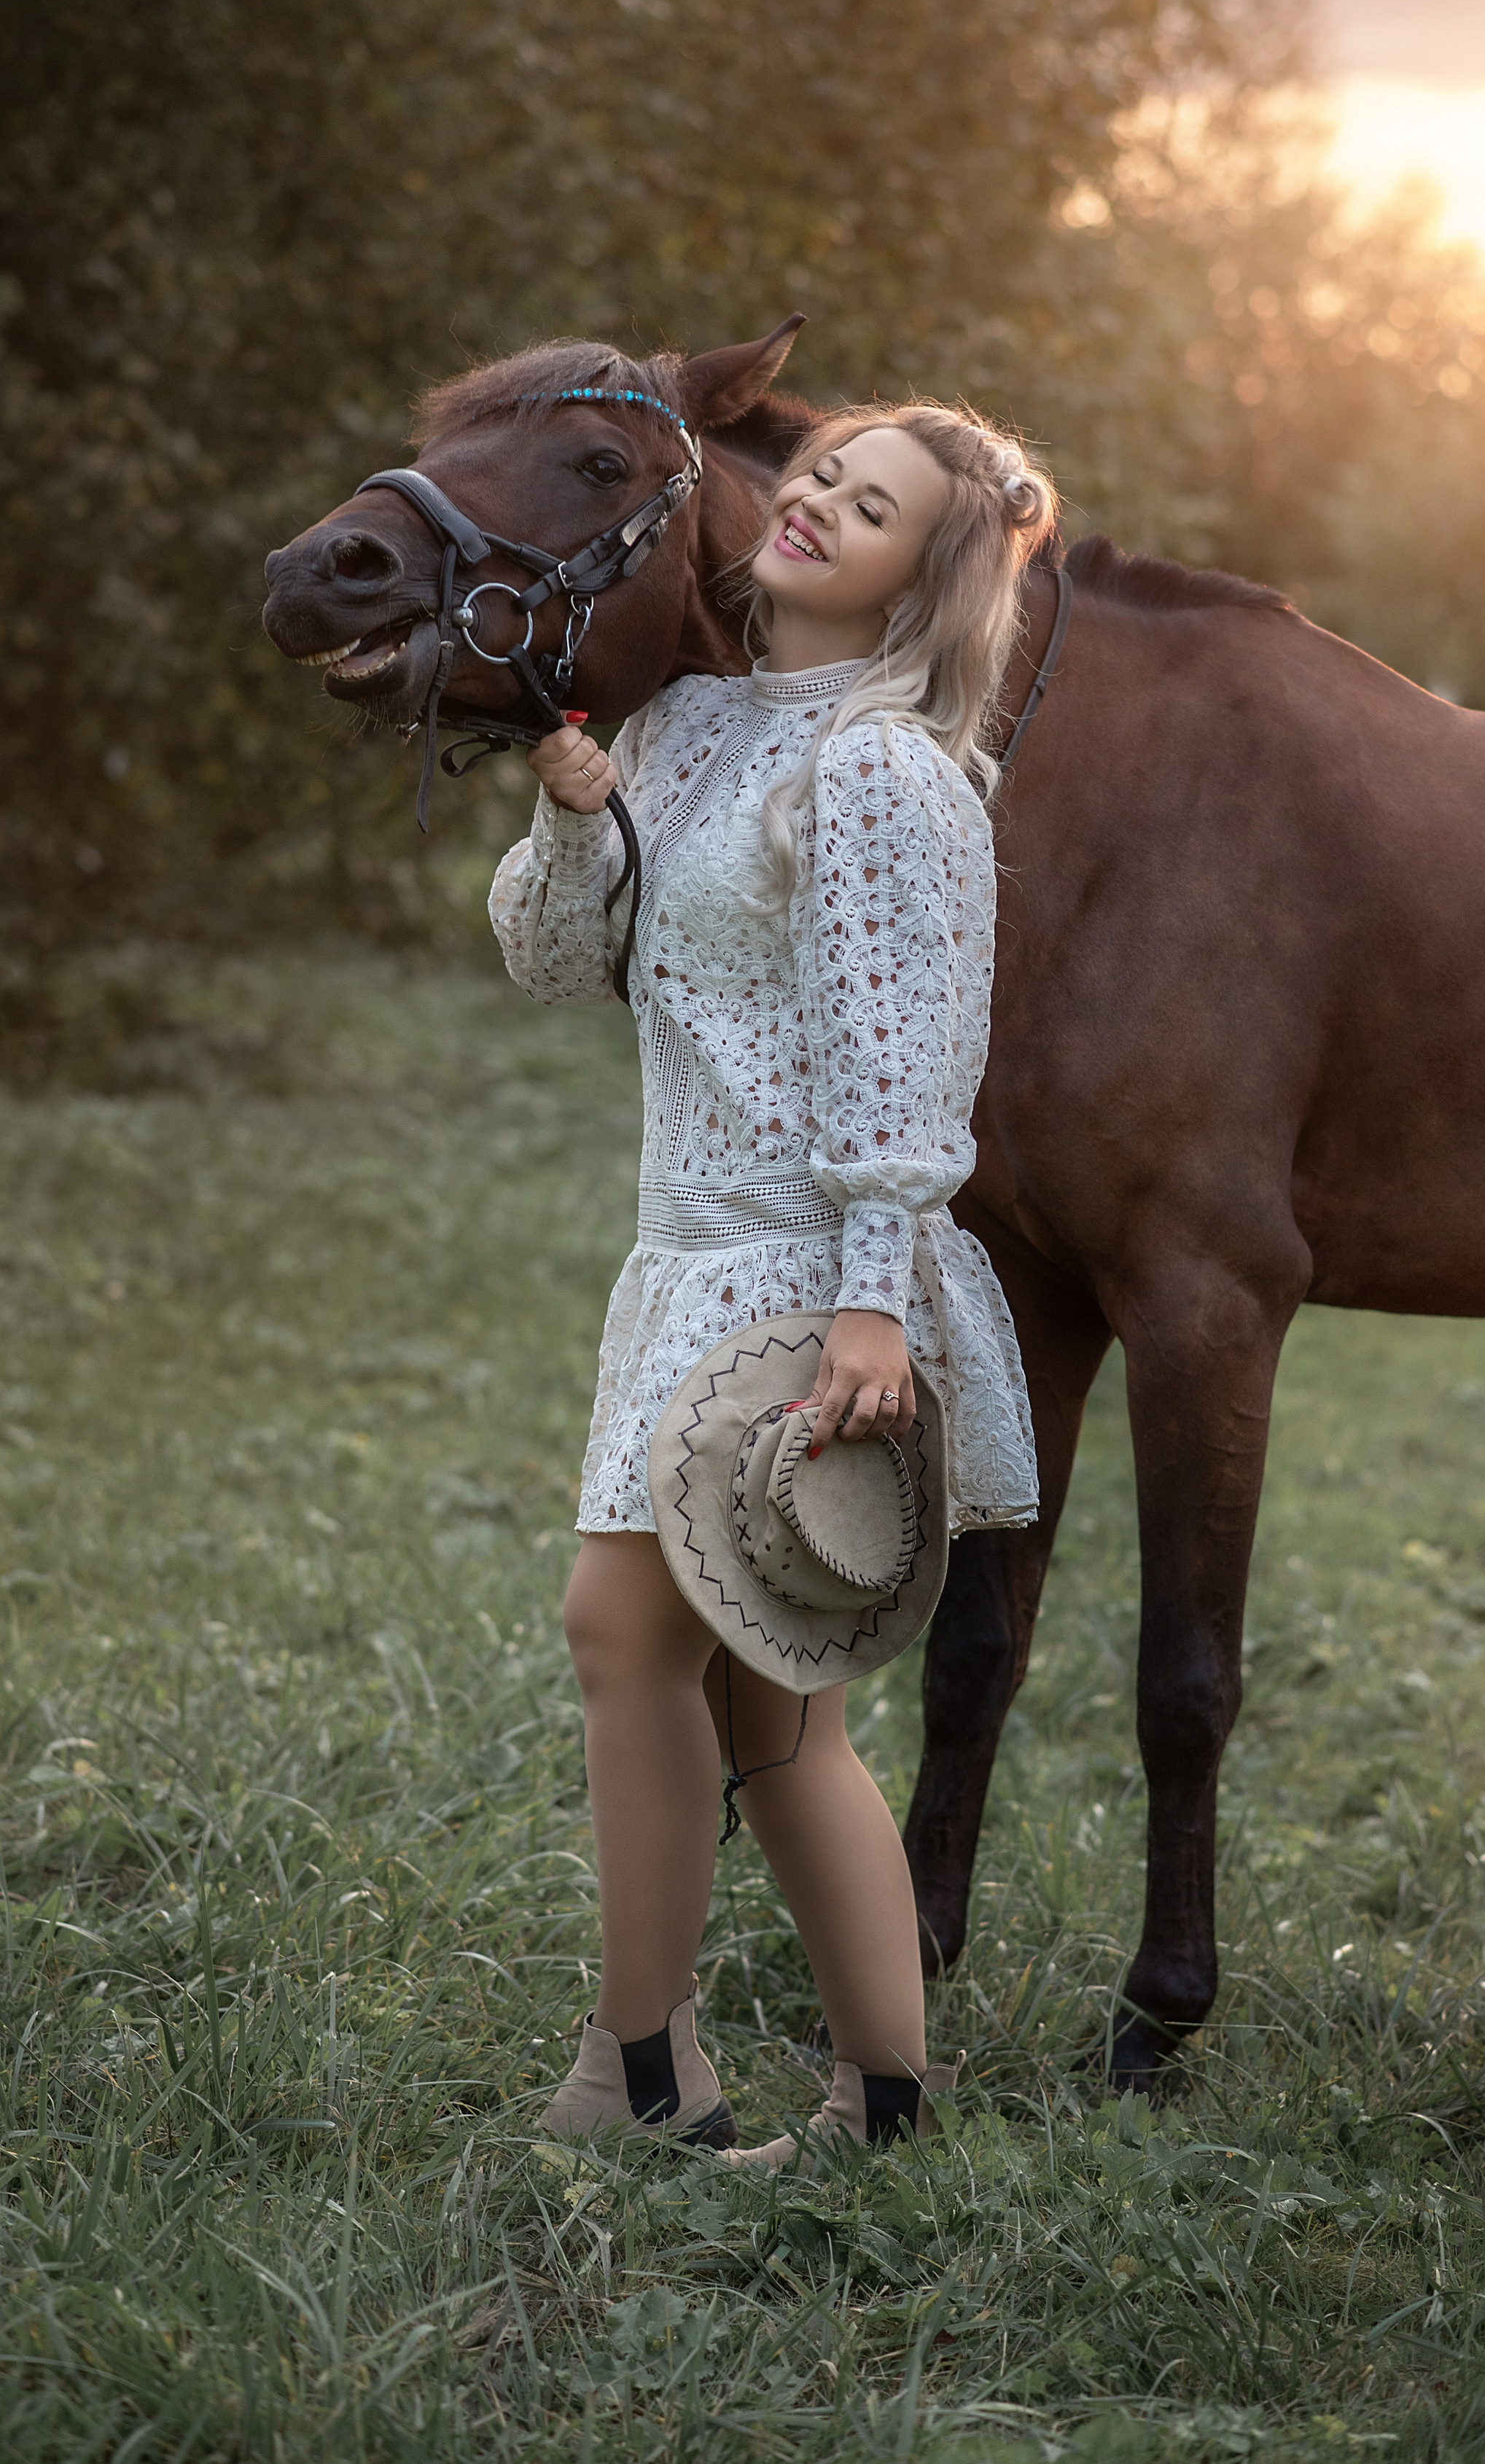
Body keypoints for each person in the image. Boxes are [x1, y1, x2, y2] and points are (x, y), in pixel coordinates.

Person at [488, 397, 1052, 2162]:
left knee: (620, 1631)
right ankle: (881, 2095)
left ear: (919, 574)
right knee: (762, 1705)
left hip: (804, 1266)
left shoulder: (888, 767)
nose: (814, 502)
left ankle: (639, 2073)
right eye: (820, 473)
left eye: (867, 503)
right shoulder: (695, 726)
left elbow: (904, 1058)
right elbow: (557, 963)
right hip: (682, 1253)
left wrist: (875, 1301)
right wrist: (580, 818)